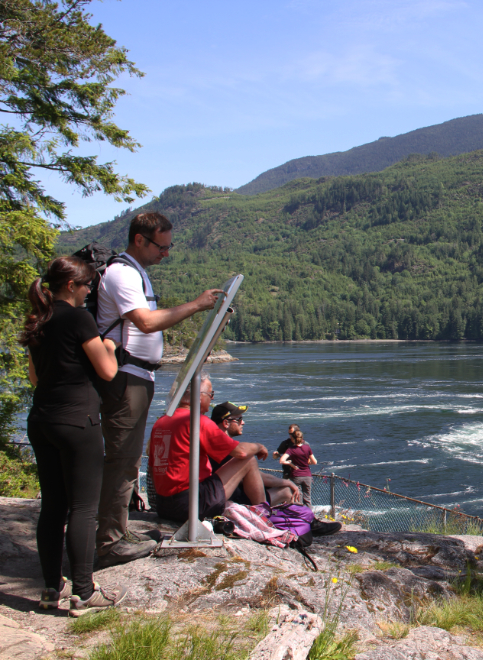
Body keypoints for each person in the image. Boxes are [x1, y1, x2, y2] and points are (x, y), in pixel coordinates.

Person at [96, 212, 224, 568]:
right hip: (126, 377)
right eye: (161, 246)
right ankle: (109, 541)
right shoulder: (122, 273)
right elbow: (146, 322)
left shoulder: (136, 272)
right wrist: (197, 305)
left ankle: (117, 531)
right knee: (122, 458)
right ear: (140, 240)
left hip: (138, 376)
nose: (166, 253)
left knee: (129, 458)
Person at [19, 257, 128, 617]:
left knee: (52, 506)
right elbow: (108, 371)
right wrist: (109, 347)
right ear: (71, 286)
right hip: (78, 420)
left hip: (42, 420)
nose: (90, 292)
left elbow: (35, 378)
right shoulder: (79, 319)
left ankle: (51, 588)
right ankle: (84, 591)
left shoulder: (38, 320)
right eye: (87, 286)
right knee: (83, 507)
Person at [148, 374, 294, 523]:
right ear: (199, 396)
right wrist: (259, 446)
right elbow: (241, 452)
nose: (212, 399)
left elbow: (154, 467)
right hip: (191, 504)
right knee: (248, 459)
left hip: (164, 506)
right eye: (211, 394)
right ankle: (262, 517)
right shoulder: (197, 420)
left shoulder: (161, 422)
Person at [209, 401, 301, 505]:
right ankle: (266, 515)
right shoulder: (227, 448)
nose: (243, 422)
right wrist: (288, 482)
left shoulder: (211, 443)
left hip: (225, 495)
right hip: (235, 500)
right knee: (286, 492)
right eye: (239, 419)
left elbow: (256, 475)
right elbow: (262, 478)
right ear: (226, 423)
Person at [279, 430, 317, 507]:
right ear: (302, 438)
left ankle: (299, 515)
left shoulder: (291, 449)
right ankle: (309, 516)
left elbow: (282, 460)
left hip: (296, 475)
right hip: (307, 475)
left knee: (297, 497)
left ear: (293, 438)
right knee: (307, 498)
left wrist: (290, 463)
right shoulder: (307, 448)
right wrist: (307, 462)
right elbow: (315, 462)